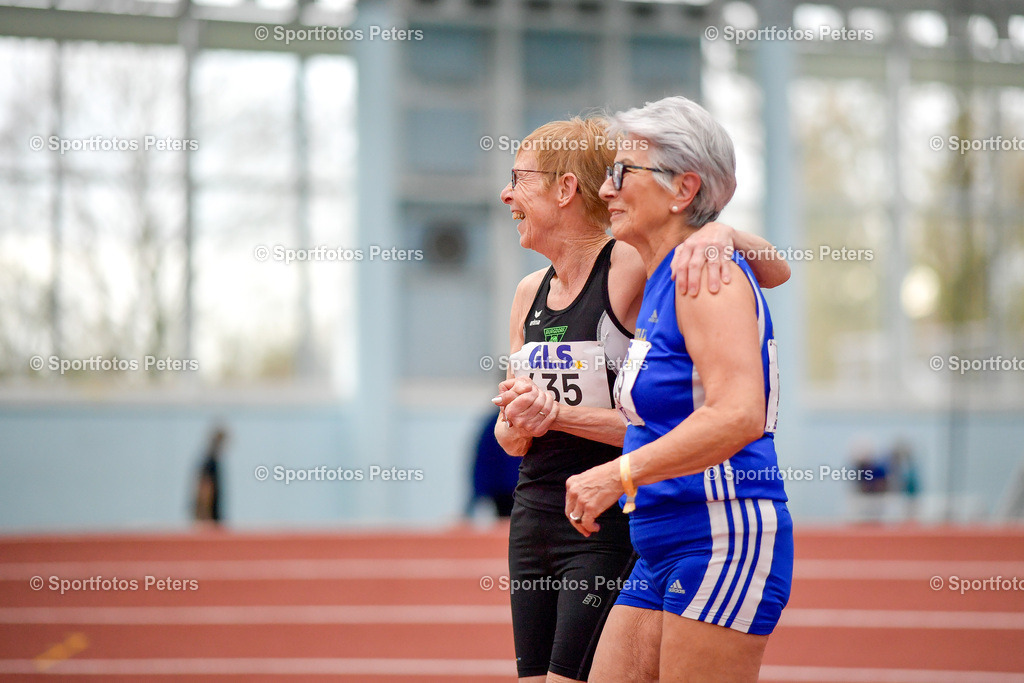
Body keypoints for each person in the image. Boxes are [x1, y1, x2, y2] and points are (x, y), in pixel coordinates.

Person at [492, 115, 791, 683]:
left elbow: (740, 414)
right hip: (654, 536)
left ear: (682, 189)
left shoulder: (699, 271)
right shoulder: (660, 274)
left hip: (718, 530)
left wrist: (615, 474)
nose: (607, 190)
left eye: (621, 174)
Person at [194, 425, 228, 524]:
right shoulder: (210, 462)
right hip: (210, 518)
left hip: (213, 515)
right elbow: (205, 489)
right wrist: (205, 515)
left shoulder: (212, 461)